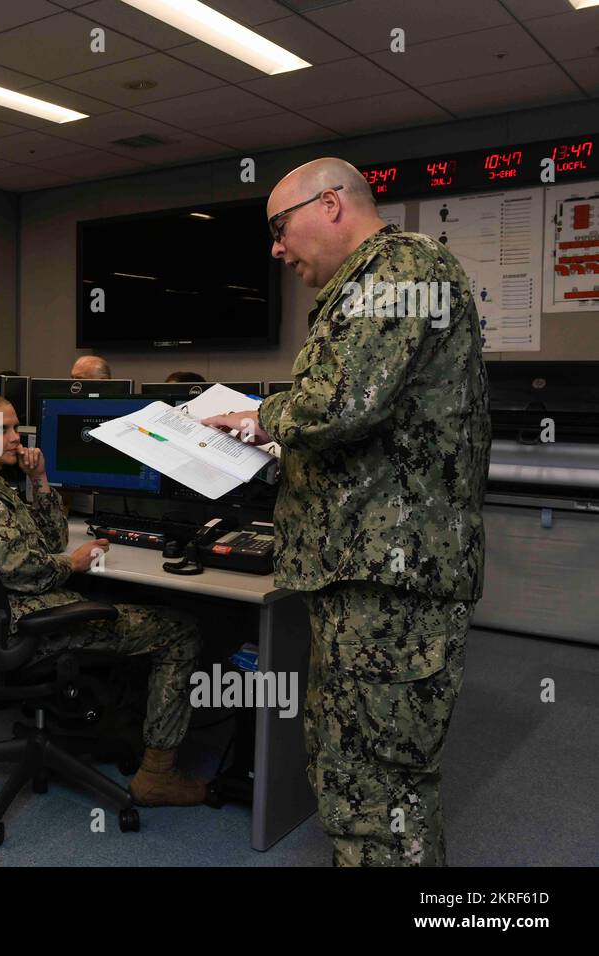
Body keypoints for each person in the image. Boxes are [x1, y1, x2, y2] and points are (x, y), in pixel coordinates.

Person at [202, 157, 490, 866]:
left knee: (380, 784)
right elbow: (368, 430)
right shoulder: (363, 284)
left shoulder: (404, 269)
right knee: (349, 770)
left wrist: (258, 419)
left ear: (330, 205)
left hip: (394, 585)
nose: (274, 248)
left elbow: (342, 402)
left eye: (279, 227)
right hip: (362, 577)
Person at [0, 393, 205, 806]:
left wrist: (39, 480)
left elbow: (51, 541)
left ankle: (120, 724)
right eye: (4, 430)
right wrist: (77, 565)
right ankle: (158, 774)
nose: (16, 437)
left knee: (132, 609)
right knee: (181, 629)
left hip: (13, 619)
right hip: (34, 623)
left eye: (17, 428)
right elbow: (20, 570)